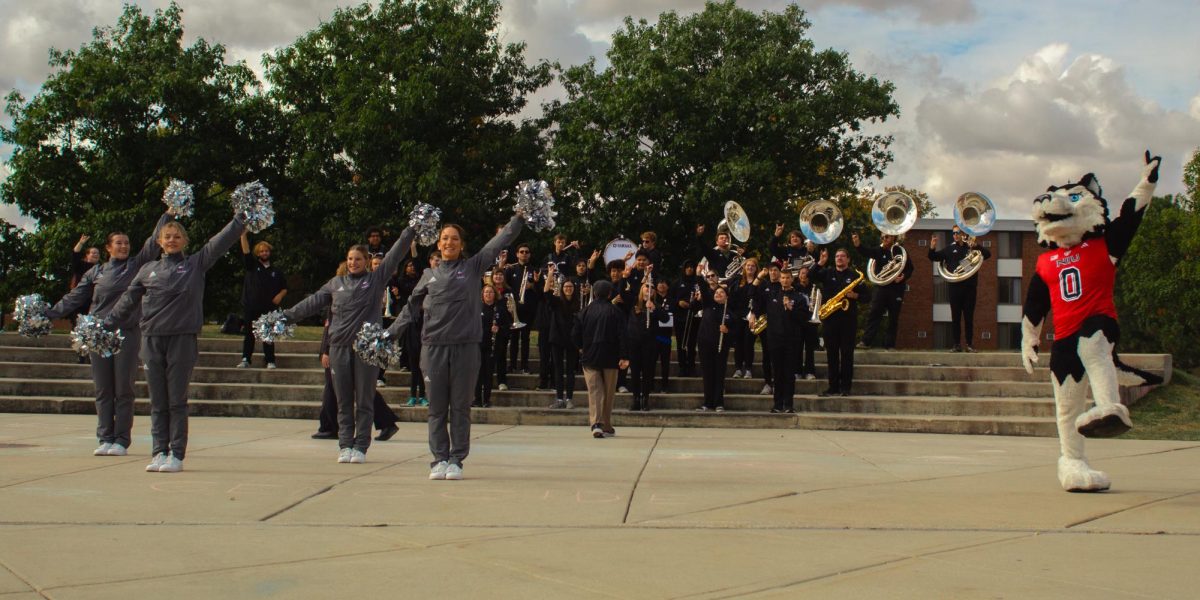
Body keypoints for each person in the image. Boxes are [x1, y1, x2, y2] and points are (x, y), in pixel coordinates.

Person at [107, 213, 249, 473]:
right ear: (159, 241)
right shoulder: (147, 269)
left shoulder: (196, 264)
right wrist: (105, 324)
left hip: (182, 339)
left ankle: (176, 454)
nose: (171, 240)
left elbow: (218, 243)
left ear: (185, 240)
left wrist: (239, 220)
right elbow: (127, 302)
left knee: (176, 400)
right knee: (157, 400)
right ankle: (159, 450)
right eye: (167, 237)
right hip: (151, 339)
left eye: (176, 237)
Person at [390, 215, 526, 481]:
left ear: (461, 244)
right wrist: (390, 333)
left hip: (465, 348)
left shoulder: (474, 267)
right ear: (438, 245)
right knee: (436, 408)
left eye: (454, 238)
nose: (448, 242)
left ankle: (456, 460)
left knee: (460, 407)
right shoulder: (428, 275)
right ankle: (439, 458)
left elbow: (500, 241)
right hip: (433, 349)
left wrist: (520, 217)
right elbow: (410, 309)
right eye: (444, 239)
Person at [283, 225, 416, 465]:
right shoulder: (335, 283)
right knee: (343, 400)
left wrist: (411, 230)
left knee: (364, 401)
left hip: (366, 349)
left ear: (367, 261)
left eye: (358, 259)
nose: (353, 263)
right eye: (350, 259)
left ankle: (361, 446)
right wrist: (286, 317)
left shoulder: (375, 280)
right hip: (339, 348)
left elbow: (396, 253)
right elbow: (311, 303)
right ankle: (345, 445)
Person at [45, 213, 173, 456]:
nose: (123, 246)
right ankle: (104, 437)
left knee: (123, 388)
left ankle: (121, 440)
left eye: (126, 243)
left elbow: (153, 241)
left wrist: (168, 214)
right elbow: (75, 297)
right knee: (103, 389)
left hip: (126, 333)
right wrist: (50, 313)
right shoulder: (95, 273)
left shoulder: (135, 266)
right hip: (97, 335)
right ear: (108, 247)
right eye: (118, 243)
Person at [574, 280, 626, 437]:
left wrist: (581, 347)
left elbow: (575, 334)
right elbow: (622, 335)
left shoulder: (584, 311)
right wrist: (624, 356)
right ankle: (606, 424)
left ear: (594, 293)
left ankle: (595, 423)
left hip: (589, 355)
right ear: (610, 294)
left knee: (594, 390)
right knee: (609, 391)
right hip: (611, 355)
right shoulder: (616, 311)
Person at [810, 249, 864, 397]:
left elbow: (867, 296)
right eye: (837, 256)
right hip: (830, 319)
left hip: (848, 320)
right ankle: (833, 387)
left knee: (847, 355)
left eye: (842, 256)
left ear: (848, 259)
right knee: (831, 355)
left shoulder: (854, 276)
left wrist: (856, 295)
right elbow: (810, 276)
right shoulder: (827, 272)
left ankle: (846, 387)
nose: (839, 258)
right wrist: (820, 262)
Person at [929, 225, 991, 352]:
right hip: (954, 288)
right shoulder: (949, 249)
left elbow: (988, 254)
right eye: (953, 233)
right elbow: (933, 257)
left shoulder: (971, 247)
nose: (955, 235)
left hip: (970, 288)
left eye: (957, 232)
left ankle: (969, 344)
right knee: (955, 318)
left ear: (963, 233)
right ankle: (956, 345)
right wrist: (932, 246)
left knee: (969, 318)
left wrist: (977, 246)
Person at [758, 268, 808, 412]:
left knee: (789, 374)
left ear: (792, 280)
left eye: (788, 278)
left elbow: (804, 318)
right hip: (774, 339)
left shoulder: (799, 297)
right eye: (783, 278)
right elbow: (755, 297)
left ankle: (788, 405)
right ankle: (777, 404)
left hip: (792, 340)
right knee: (777, 373)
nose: (785, 280)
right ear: (779, 279)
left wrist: (791, 309)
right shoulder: (772, 295)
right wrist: (759, 278)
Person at [853, 231, 913, 350]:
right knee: (874, 314)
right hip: (881, 288)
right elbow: (866, 252)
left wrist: (903, 276)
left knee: (893, 318)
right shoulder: (878, 251)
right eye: (882, 237)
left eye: (886, 237)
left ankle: (889, 345)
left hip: (896, 289)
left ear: (893, 238)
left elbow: (910, 268)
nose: (883, 239)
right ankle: (866, 341)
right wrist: (858, 244)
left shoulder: (901, 251)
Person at [237, 233, 288, 369]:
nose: (264, 253)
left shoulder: (276, 271)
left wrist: (280, 296)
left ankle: (270, 360)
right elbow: (246, 251)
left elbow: (284, 288)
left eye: (266, 250)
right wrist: (243, 236)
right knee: (249, 334)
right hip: (251, 306)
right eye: (261, 251)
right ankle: (246, 359)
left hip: (269, 308)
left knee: (268, 335)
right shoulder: (252, 266)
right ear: (257, 253)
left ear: (269, 252)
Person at [543, 264, 582, 409]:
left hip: (572, 341)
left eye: (570, 287)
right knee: (558, 370)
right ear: (562, 288)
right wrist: (550, 275)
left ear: (574, 289)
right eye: (566, 287)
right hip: (557, 339)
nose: (568, 289)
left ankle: (569, 398)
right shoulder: (557, 301)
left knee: (571, 371)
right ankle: (559, 399)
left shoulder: (578, 303)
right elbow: (546, 292)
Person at [694, 276, 733, 412]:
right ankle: (707, 402)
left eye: (721, 293)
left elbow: (734, 331)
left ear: (726, 297)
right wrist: (699, 276)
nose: (718, 294)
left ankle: (719, 403)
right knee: (707, 374)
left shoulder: (729, 312)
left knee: (719, 374)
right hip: (705, 344)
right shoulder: (708, 305)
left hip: (720, 346)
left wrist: (727, 330)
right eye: (716, 293)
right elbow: (704, 290)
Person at [505, 243, 539, 374]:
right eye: (522, 252)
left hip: (528, 308)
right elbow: (505, 285)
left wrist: (533, 286)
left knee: (525, 338)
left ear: (529, 255)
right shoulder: (511, 269)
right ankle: (512, 365)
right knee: (513, 337)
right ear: (517, 254)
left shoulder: (534, 270)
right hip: (514, 307)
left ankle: (525, 365)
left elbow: (540, 290)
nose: (524, 254)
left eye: (526, 252)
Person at [474, 284, 510, 408]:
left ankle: (486, 399)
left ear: (495, 295)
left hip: (493, 346)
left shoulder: (499, 309)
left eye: (491, 292)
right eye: (486, 292)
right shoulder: (477, 308)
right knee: (477, 374)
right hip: (478, 345)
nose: (488, 294)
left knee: (488, 374)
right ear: (482, 295)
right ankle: (477, 399)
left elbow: (507, 327)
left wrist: (498, 329)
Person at [729, 258, 759, 379]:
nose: (750, 268)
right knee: (738, 343)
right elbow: (732, 298)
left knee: (748, 343)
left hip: (752, 316)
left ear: (756, 268)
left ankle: (748, 369)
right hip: (738, 316)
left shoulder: (759, 282)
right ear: (744, 268)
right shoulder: (737, 281)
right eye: (748, 266)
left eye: (752, 266)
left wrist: (754, 313)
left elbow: (759, 300)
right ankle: (738, 368)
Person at [671, 260, 702, 377]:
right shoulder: (676, 283)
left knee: (692, 343)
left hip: (694, 317)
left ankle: (691, 367)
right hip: (680, 318)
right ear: (684, 268)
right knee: (681, 344)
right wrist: (679, 303)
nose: (689, 269)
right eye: (687, 267)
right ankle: (682, 367)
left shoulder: (698, 283)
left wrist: (694, 303)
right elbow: (670, 299)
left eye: (692, 267)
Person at [794, 266, 820, 380]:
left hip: (811, 321)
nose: (802, 275)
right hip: (798, 321)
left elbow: (819, 304)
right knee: (797, 347)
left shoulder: (814, 288)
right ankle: (797, 371)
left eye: (805, 273)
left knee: (810, 348)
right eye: (801, 273)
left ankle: (810, 371)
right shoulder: (794, 288)